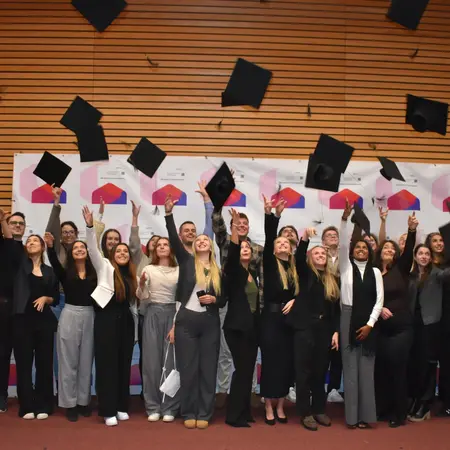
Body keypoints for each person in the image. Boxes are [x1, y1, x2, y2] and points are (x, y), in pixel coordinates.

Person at [164, 194, 221, 430]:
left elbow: (224, 299)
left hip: (210, 323)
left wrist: (215, 299)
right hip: (186, 321)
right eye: (199, 240)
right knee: (188, 369)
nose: (202, 241)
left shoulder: (218, 271)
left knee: (208, 370)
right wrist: (168, 214)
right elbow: (173, 239)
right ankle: (188, 411)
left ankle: (204, 413)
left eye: (206, 239)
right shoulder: (187, 262)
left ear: (211, 245)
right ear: (194, 246)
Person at [82, 206, 138, 427]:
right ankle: (107, 409)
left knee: (124, 364)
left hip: (126, 322)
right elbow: (92, 249)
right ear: (112, 254)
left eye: (125, 251)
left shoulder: (132, 274)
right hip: (106, 320)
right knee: (107, 365)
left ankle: (121, 406)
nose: (122, 253)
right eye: (118, 251)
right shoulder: (104, 266)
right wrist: (90, 226)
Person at [2, 210, 59, 420]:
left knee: (44, 363)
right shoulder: (19, 264)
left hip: (44, 322)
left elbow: (56, 296)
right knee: (24, 364)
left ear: (42, 247)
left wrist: (46, 298)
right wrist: (3, 221)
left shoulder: (49, 271)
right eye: (29, 241)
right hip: (22, 321)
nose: (32, 243)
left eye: (36, 241)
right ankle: (26, 406)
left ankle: (44, 404)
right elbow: (10, 243)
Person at [212, 189, 263, 409]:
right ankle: (223, 391)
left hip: (249, 306)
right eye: (237, 223)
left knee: (250, 354)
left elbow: (263, 279)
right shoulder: (225, 243)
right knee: (226, 352)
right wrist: (218, 202)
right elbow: (217, 224)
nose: (241, 226)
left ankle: (249, 392)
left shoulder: (257, 250)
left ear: (249, 227)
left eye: (244, 224)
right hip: (229, 303)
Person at [288, 227, 340, 431]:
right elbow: (299, 258)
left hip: (324, 330)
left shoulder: (332, 280)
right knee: (303, 372)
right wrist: (305, 238)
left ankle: (319, 409)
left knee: (320, 371)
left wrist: (335, 331)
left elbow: (335, 310)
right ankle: (305, 412)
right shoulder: (306, 274)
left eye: (323, 254)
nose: (320, 255)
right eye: (316, 253)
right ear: (311, 257)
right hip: (304, 328)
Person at [339, 199, 384, 429]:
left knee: (366, 372)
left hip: (369, 324)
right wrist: (344, 220)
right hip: (347, 319)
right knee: (351, 371)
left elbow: (379, 301)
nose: (360, 250)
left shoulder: (376, 272)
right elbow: (342, 245)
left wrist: (370, 325)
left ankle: (367, 417)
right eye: (357, 248)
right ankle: (352, 418)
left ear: (370, 251)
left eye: (364, 248)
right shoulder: (345, 267)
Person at [44, 232, 97, 422]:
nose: (79, 249)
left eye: (82, 247)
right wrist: (50, 247)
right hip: (69, 314)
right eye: (76, 248)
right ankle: (70, 404)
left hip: (90, 315)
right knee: (68, 362)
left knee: (86, 362)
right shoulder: (65, 273)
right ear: (71, 253)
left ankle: (83, 402)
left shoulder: (95, 273)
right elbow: (54, 262)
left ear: (87, 252)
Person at [374, 213, 418, 428]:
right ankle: (382, 408)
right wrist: (379, 307)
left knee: (397, 369)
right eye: (386, 248)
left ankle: (399, 413)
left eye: (393, 249)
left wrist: (411, 230)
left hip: (401, 328)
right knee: (381, 369)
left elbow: (409, 250)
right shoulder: (373, 273)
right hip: (380, 330)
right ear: (379, 252)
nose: (389, 250)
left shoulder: (400, 269)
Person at [220, 208, 260, 427]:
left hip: (251, 329)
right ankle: (233, 416)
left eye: (248, 248)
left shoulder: (252, 273)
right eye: (242, 247)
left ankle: (245, 412)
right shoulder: (234, 270)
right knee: (242, 370)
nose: (245, 250)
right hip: (236, 328)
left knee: (248, 370)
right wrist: (235, 227)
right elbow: (233, 251)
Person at [260, 195, 298, 425]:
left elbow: (304, 291)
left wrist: (295, 301)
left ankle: (281, 405)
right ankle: (268, 404)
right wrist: (273, 215)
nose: (283, 244)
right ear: (273, 250)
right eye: (279, 243)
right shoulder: (269, 262)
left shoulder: (295, 268)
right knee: (270, 362)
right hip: (270, 319)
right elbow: (268, 237)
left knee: (286, 363)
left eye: (286, 243)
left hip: (289, 321)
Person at [136, 237, 180, 423]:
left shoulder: (179, 270)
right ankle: (153, 406)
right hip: (152, 314)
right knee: (151, 363)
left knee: (171, 363)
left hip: (173, 315)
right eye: (159, 245)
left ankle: (170, 407)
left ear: (171, 249)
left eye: (166, 244)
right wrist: (141, 285)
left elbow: (182, 299)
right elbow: (142, 297)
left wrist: (176, 324)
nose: (162, 247)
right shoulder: (148, 269)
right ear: (154, 250)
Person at [408, 244, 450, 422]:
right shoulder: (410, 276)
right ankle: (415, 399)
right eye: (421, 253)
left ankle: (425, 403)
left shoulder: (438, 274)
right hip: (412, 325)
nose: (424, 256)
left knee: (428, 365)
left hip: (430, 326)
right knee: (415, 365)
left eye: (427, 254)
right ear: (415, 256)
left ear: (431, 258)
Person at [0, 211, 26, 413]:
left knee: (23, 354)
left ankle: (26, 397)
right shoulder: (3, 245)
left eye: (21, 223)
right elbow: (9, 244)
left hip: (23, 310)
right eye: (13, 222)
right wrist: (2, 220)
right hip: (4, 307)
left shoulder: (29, 249)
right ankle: (1, 395)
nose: (17, 225)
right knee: (2, 353)